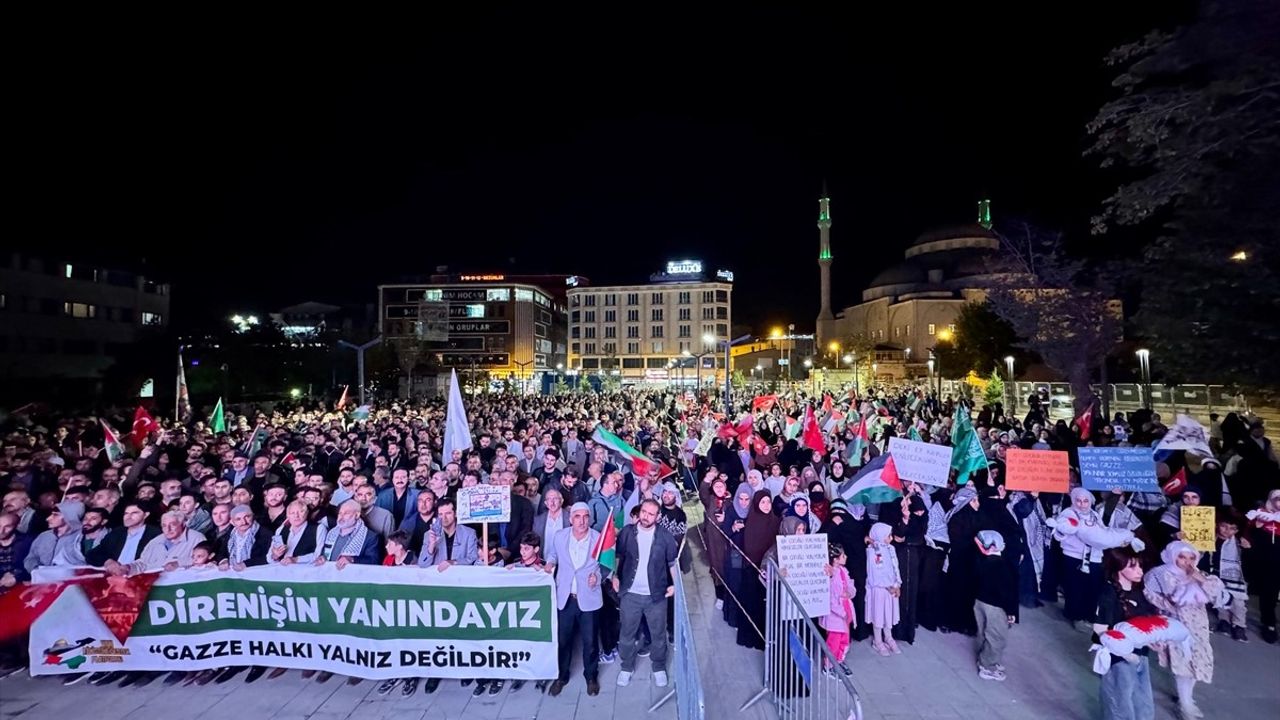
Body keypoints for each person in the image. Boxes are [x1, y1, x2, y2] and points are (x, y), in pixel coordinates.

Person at [1144, 541, 1223, 719]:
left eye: (1191, 557)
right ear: (1173, 556)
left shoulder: (1198, 574)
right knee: (1183, 662)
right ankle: (1185, 703)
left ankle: (1187, 698)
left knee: (1198, 659)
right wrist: (1167, 606)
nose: (1186, 561)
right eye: (1181, 556)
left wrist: (1198, 577)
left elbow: (1217, 592)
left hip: (1199, 625)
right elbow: (1152, 594)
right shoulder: (1161, 573)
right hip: (1176, 622)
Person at [613, 498, 678, 689]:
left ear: (658, 517)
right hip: (630, 594)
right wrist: (615, 576)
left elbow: (672, 563)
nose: (646, 517)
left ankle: (658, 667)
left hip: (656, 596)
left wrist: (676, 586)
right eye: (643, 512)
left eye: (651, 514)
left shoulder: (666, 537)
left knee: (658, 635)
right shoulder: (627, 533)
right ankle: (626, 667)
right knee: (626, 634)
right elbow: (619, 556)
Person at [544, 502, 602, 697]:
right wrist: (550, 564)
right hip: (566, 598)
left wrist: (599, 577)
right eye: (577, 517)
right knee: (563, 640)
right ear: (570, 519)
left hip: (589, 599)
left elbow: (608, 564)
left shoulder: (598, 538)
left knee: (590, 642)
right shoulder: (560, 537)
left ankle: (591, 676)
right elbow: (553, 555)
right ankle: (562, 676)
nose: (582, 521)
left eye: (586, 516)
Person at [1093, 546, 1156, 720]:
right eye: (1132, 567)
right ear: (1118, 568)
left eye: (1140, 566)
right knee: (1120, 703)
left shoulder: (1138, 592)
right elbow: (1100, 630)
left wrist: (1152, 640)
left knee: (1143, 701)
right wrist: (1124, 652)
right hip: (1118, 659)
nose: (1139, 571)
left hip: (1141, 654)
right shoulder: (1108, 594)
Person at [972, 530, 1017, 682]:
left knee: (984, 631)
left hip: (979, 601)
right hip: (996, 606)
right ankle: (987, 665)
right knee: (997, 636)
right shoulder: (1004, 566)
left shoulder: (980, 560)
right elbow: (1008, 592)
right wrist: (1011, 612)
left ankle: (985, 657)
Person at [738, 490, 778, 650]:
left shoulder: (776, 521)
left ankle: (766, 638)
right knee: (753, 604)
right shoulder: (751, 521)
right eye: (763, 502)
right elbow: (749, 547)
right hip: (752, 571)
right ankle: (751, 637)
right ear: (756, 504)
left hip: (770, 572)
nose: (767, 505)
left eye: (768, 502)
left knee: (767, 607)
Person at [1246, 489, 1280, 643]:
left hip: (1277, 561)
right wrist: (1257, 526)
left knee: (1271, 591)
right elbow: (1247, 533)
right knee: (1267, 592)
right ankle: (1269, 623)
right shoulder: (1260, 513)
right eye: (1277, 499)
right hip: (1262, 559)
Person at [865, 522, 902, 656]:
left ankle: (888, 637)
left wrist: (897, 584)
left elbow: (895, 566)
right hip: (880, 588)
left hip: (892, 588)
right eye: (888, 536)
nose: (891, 538)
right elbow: (875, 572)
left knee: (888, 614)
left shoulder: (890, 549)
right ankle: (878, 640)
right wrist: (888, 586)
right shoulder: (873, 551)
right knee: (879, 614)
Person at [821, 541, 854, 677]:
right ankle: (828, 666)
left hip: (846, 610)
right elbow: (830, 600)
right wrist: (841, 612)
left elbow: (851, 585)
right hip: (836, 615)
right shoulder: (829, 576)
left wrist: (850, 592)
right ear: (835, 559)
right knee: (833, 642)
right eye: (843, 555)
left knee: (845, 639)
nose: (845, 557)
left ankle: (839, 660)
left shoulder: (843, 571)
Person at [24, 500, 86, 572]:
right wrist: (36, 569)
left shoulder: (81, 537)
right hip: (41, 579)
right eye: (51, 514)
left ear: (70, 516)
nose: (48, 519)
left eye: (55, 515)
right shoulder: (44, 536)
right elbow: (31, 558)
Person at [316, 500, 381, 568]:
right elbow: (325, 554)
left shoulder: (370, 537)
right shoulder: (331, 533)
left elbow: (374, 561)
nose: (341, 517)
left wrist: (352, 559)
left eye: (346, 513)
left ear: (357, 515)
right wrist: (322, 558)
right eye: (340, 513)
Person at [420, 497, 478, 569]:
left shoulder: (469, 533)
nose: (444, 518)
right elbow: (423, 564)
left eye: (448, 513)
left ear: (456, 514)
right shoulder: (429, 534)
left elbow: (473, 559)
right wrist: (431, 546)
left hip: (460, 577)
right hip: (438, 577)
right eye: (441, 514)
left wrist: (453, 562)